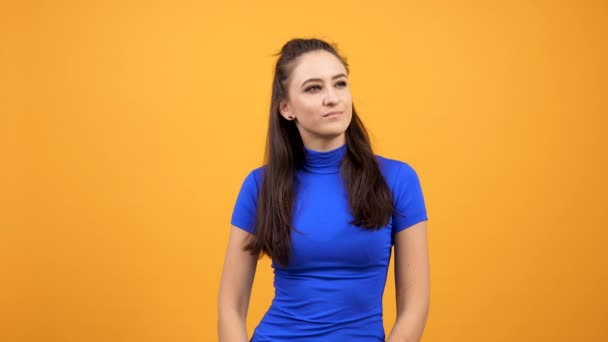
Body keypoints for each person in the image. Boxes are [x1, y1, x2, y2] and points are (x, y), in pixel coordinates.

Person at [218, 38, 430, 342]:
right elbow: (231, 305)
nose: (333, 98)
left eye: (340, 83)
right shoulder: (259, 185)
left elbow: (415, 306)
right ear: (286, 108)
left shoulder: (397, 179)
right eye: (313, 88)